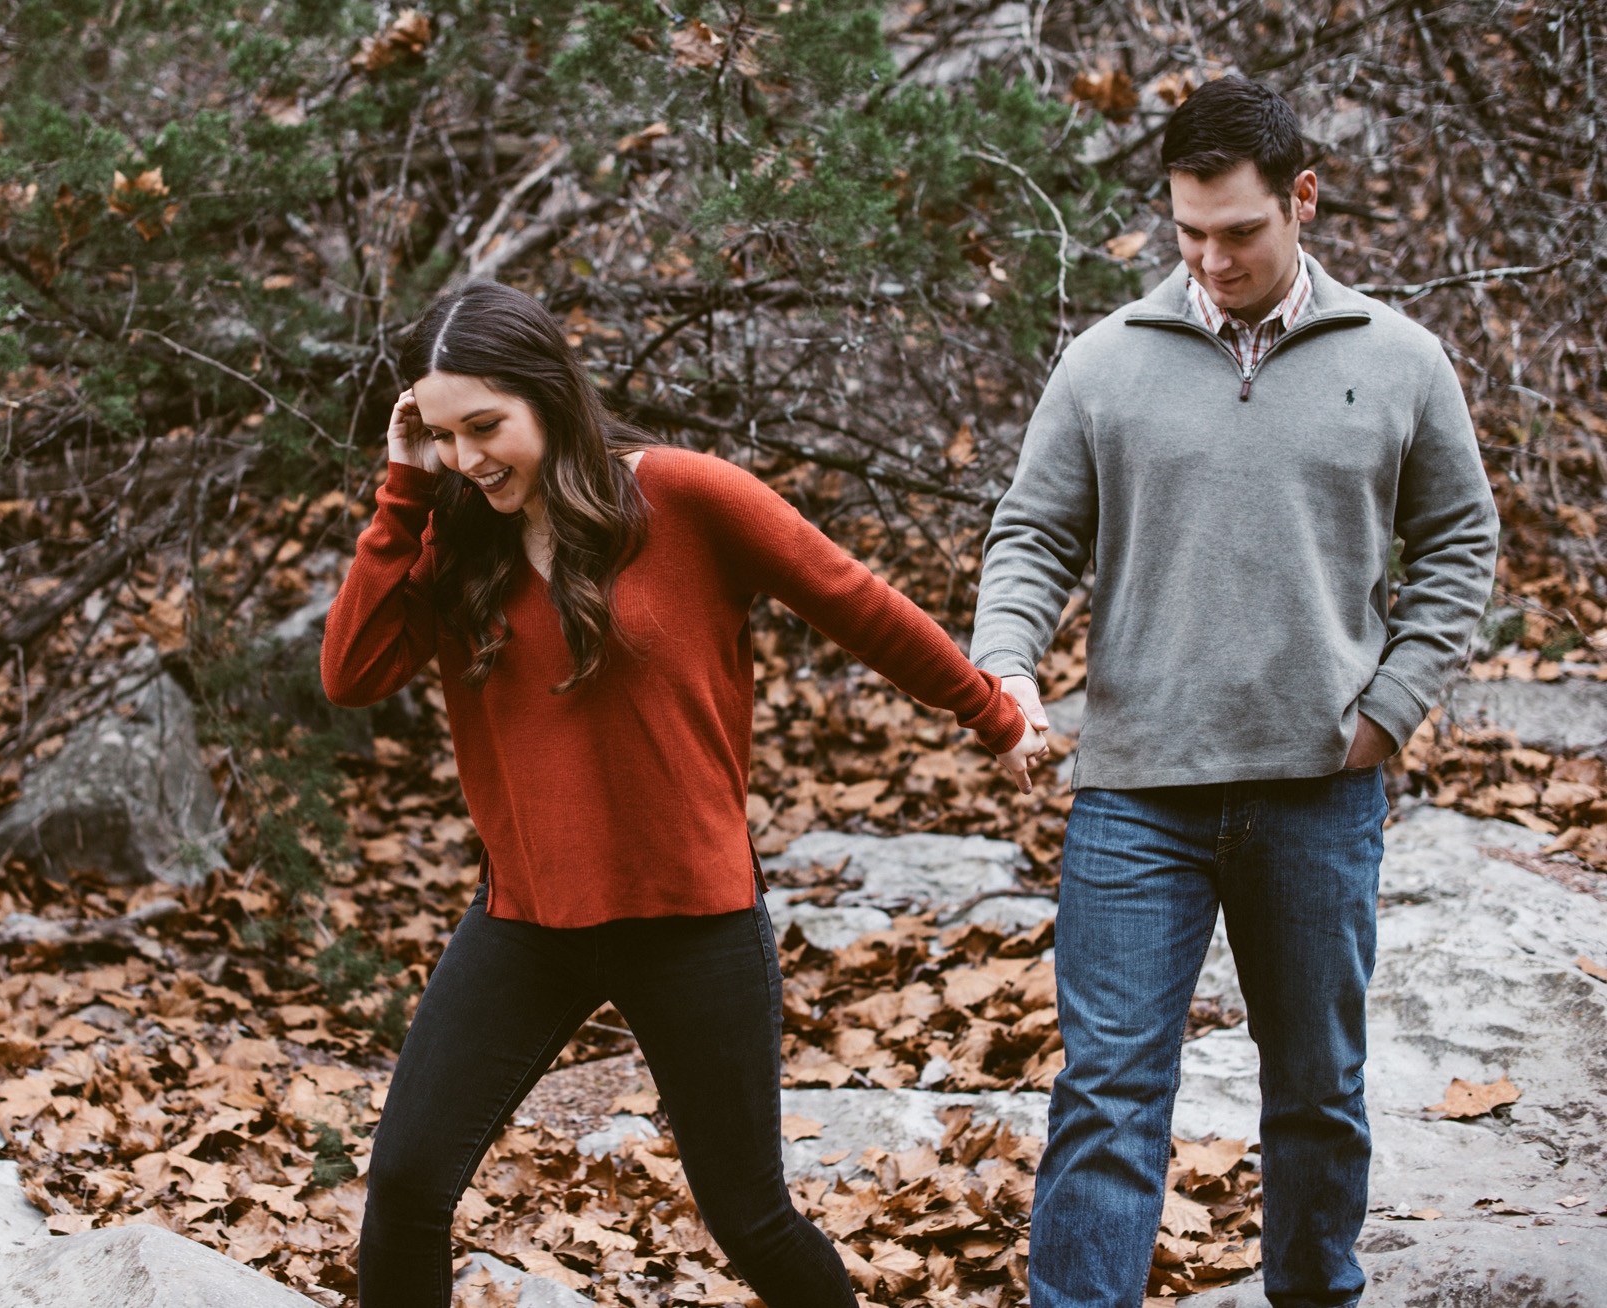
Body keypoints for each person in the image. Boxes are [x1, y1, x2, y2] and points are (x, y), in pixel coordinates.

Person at [321, 279, 1046, 1305]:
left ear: (550, 397)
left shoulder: (689, 498)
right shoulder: (455, 537)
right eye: (442, 436)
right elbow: (349, 674)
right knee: (403, 1185)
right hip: (528, 921)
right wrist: (402, 488)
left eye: (486, 426)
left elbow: (855, 603)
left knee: (749, 1216)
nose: (468, 457)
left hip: (694, 922)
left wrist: (992, 713)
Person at [971, 77, 1499, 1308]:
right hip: (1134, 796)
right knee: (1106, 1097)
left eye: (1239, 232)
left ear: (1302, 199)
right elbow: (1032, 532)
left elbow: (1461, 542)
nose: (1210, 259)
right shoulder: (1106, 362)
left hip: (1320, 788)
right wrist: (1007, 660)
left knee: (1316, 1090)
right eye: (1187, 232)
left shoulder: (1402, 359)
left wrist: (1391, 705)